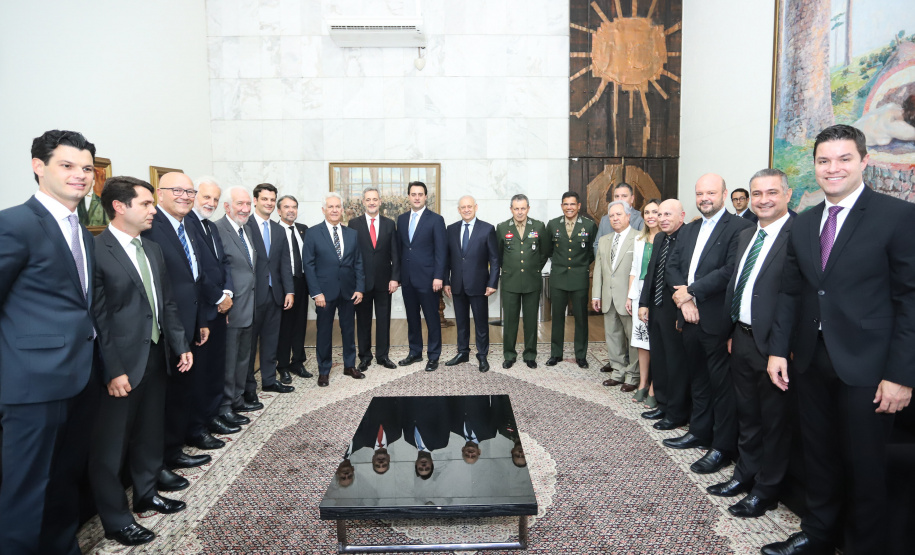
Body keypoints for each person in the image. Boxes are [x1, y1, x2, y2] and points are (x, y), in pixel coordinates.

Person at [762, 125, 915, 555]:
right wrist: (777, 349)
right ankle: (818, 533)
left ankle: (866, 546)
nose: (833, 168)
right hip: (811, 361)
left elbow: (910, 300)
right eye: (824, 160)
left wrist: (902, 375)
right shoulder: (806, 223)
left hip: (870, 368)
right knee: (819, 457)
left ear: (864, 161)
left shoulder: (897, 216)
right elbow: (792, 291)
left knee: (867, 468)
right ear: (814, 166)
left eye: (844, 159)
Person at [0, 130, 99, 555]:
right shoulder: (15, 224)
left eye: (86, 168)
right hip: (32, 385)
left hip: (79, 377)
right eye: (67, 165)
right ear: (39, 167)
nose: (80, 175)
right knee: (25, 490)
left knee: (63, 480)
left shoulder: (80, 229)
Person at [89, 176, 192, 546]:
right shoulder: (96, 251)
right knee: (111, 447)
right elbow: (98, 318)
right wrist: (112, 369)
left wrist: (180, 344)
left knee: (150, 432)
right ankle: (116, 520)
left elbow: (166, 303)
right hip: (119, 365)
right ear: (120, 206)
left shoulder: (151, 249)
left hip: (155, 353)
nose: (153, 210)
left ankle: (147, 494)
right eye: (146, 204)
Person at [704, 169, 795, 520]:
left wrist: (780, 347)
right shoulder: (746, 235)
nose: (762, 199)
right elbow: (737, 286)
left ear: (788, 195)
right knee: (748, 415)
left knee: (774, 421)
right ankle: (744, 475)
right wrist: (730, 331)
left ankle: (766, 491)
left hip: (774, 347)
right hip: (740, 339)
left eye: (771, 192)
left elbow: (796, 297)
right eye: (756, 193)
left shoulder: (797, 234)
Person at [663, 174, 753, 475]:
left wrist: (693, 291)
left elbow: (731, 270)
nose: (705, 198)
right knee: (697, 380)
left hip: (717, 321)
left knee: (721, 387)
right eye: (700, 193)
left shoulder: (741, 228)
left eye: (711, 193)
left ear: (724, 194)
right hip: (688, 319)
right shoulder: (689, 230)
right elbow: (673, 266)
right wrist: (684, 301)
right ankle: (698, 431)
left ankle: (721, 447)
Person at [140, 172, 218, 472]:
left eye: (190, 191)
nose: (186, 196)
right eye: (178, 190)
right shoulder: (151, 227)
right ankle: (161, 459)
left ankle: (175, 448)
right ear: (160, 194)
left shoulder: (188, 226)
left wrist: (200, 320)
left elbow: (194, 279)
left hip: (189, 321)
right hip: (163, 327)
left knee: (184, 388)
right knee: (164, 397)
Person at [185, 177, 246, 435]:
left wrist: (227, 292)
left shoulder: (209, 227)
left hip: (220, 307)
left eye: (214, 199)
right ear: (193, 196)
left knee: (215, 368)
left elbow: (223, 264)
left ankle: (214, 415)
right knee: (203, 372)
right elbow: (195, 271)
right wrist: (220, 298)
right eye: (205, 197)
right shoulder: (187, 225)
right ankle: (202, 424)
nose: (210, 203)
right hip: (204, 310)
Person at [638, 200, 691, 433]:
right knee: (659, 359)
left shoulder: (688, 238)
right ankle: (662, 403)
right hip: (656, 306)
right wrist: (643, 303)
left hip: (676, 310)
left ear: (682, 215)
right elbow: (651, 272)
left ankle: (676, 413)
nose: (663, 218)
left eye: (668, 214)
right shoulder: (659, 238)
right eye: (660, 214)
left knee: (675, 362)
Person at [302, 192, 365, 387]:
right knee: (324, 332)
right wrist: (316, 292)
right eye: (331, 207)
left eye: (338, 206)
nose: (335, 210)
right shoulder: (312, 233)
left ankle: (349, 365)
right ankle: (324, 370)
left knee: (348, 330)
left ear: (343, 210)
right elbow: (308, 265)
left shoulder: (352, 234)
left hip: (348, 291)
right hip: (324, 294)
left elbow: (358, 263)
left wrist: (360, 288)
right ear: (324, 210)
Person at [213, 187, 264, 420]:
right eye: (239, 204)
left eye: (247, 205)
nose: (245, 209)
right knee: (229, 359)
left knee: (244, 357)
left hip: (249, 306)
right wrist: (224, 298)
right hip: (231, 307)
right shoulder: (218, 230)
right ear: (227, 207)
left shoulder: (246, 229)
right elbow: (218, 269)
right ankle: (224, 406)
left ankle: (237, 398)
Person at [245, 183, 295, 398]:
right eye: (265, 199)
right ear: (255, 200)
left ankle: (268, 380)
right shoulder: (245, 225)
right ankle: (247, 388)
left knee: (270, 340)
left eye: (272, 200)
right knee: (248, 346)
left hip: (275, 295)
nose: (269, 203)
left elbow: (285, 263)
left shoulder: (278, 230)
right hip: (252, 295)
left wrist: (289, 291)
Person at [443, 195, 500, 372]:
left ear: (475, 207)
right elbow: (446, 259)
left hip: (479, 285)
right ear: (458, 210)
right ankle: (463, 352)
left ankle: (482, 355)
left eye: (469, 206)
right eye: (463, 207)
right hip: (457, 285)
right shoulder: (451, 229)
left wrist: (492, 283)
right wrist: (446, 282)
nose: (466, 210)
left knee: (481, 323)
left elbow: (495, 259)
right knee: (461, 322)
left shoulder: (487, 229)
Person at [396, 181, 447, 372]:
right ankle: (415, 352)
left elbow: (441, 251)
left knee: (432, 319)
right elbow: (401, 249)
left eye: (420, 194)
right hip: (408, 279)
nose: (417, 197)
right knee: (412, 318)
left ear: (426, 197)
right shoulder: (401, 220)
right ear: (408, 197)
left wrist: (438, 276)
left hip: (429, 280)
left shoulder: (436, 219)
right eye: (413, 194)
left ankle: (433, 356)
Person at [348, 187, 400, 372]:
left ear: (380, 202)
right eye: (368, 199)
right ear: (363, 202)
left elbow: (395, 253)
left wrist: (395, 278)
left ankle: (382, 356)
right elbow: (351, 255)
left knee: (383, 319)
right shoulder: (353, 224)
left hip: (385, 282)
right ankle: (364, 356)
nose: (371, 202)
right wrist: (355, 283)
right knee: (362, 320)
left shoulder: (389, 224)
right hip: (361, 283)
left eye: (375, 199)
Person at [496, 194, 550, 369]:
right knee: (510, 321)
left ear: (528, 208)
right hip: (510, 282)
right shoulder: (503, 227)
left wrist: (534, 268)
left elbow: (544, 252)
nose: (520, 212)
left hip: (531, 281)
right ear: (511, 209)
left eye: (523, 208)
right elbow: (498, 255)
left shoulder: (539, 227)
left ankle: (530, 355)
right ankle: (509, 355)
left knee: (531, 321)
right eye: (516, 208)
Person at [545, 191, 597, 368]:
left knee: (581, 318)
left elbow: (591, 252)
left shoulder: (589, 225)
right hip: (559, 277)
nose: (569, 207)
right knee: (557, 317)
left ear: (579, 206)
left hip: (579, 277)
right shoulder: (552, 225)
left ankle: (580, 355)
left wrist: (581, 265)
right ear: (561, 206)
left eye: (572, 204)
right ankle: (556, 354)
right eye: (566, 204)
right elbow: (548, 250)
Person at [592, 201, 639, 389]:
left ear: (629, 216)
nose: (615, 218)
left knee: (632, 339)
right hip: (608, 298)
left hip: (628, 298)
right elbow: (599, 270)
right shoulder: (604, 240)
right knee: (613, 337)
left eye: (619, 214)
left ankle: (633, 376)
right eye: (611, 216)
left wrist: (633, 296)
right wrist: (596, 295)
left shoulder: (639, 238)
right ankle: (618, 372)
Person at [626, 199, 661, 406]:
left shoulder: (667, 240)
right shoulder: (639, 240)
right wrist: (630, 297)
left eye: (654, 212)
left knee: (657, 343)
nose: (650, 216)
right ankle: (643, 383)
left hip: (659, 297)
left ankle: (655, 388)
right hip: (640, 295)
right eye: (646, 212)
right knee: (641, 342)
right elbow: (634, 270)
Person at [275, 194, 313, 381]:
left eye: (294, 207)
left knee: (300, 324)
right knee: (285, 326)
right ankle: (282, 365)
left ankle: (297, 361)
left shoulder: (303, 229)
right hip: (282, 285)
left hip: (302, 282)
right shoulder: (274, 230)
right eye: (287, 207)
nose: (291, 210)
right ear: (279, 210)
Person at [593, 182, 645, 252]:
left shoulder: (640, 218)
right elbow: (597, 244)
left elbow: (642, 245)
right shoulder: (605, 219)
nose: (620, 199)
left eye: (624, 196)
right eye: (616, 196)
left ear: (632, 199)